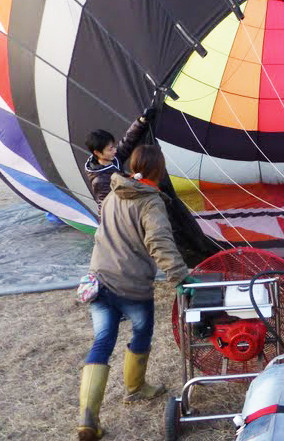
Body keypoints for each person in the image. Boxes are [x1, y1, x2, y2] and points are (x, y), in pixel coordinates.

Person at [77, 145, 194, 441]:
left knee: (103, 341)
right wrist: (180, 277)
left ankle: (87, 418)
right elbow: (160, 242)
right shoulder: (150, 202)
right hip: (130, 284)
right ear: (159, 170)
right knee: (141, 334)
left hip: (99, 280)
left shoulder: (115, 192)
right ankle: (135, 388)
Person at [84, 108, 155, 216]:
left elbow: (128, 141)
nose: (115, 150)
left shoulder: (113, 158)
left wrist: (141, 121)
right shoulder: (100, 180)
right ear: (97, 153)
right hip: (118, 217)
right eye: (110, 149)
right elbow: (105, 206)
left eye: (113, 147)